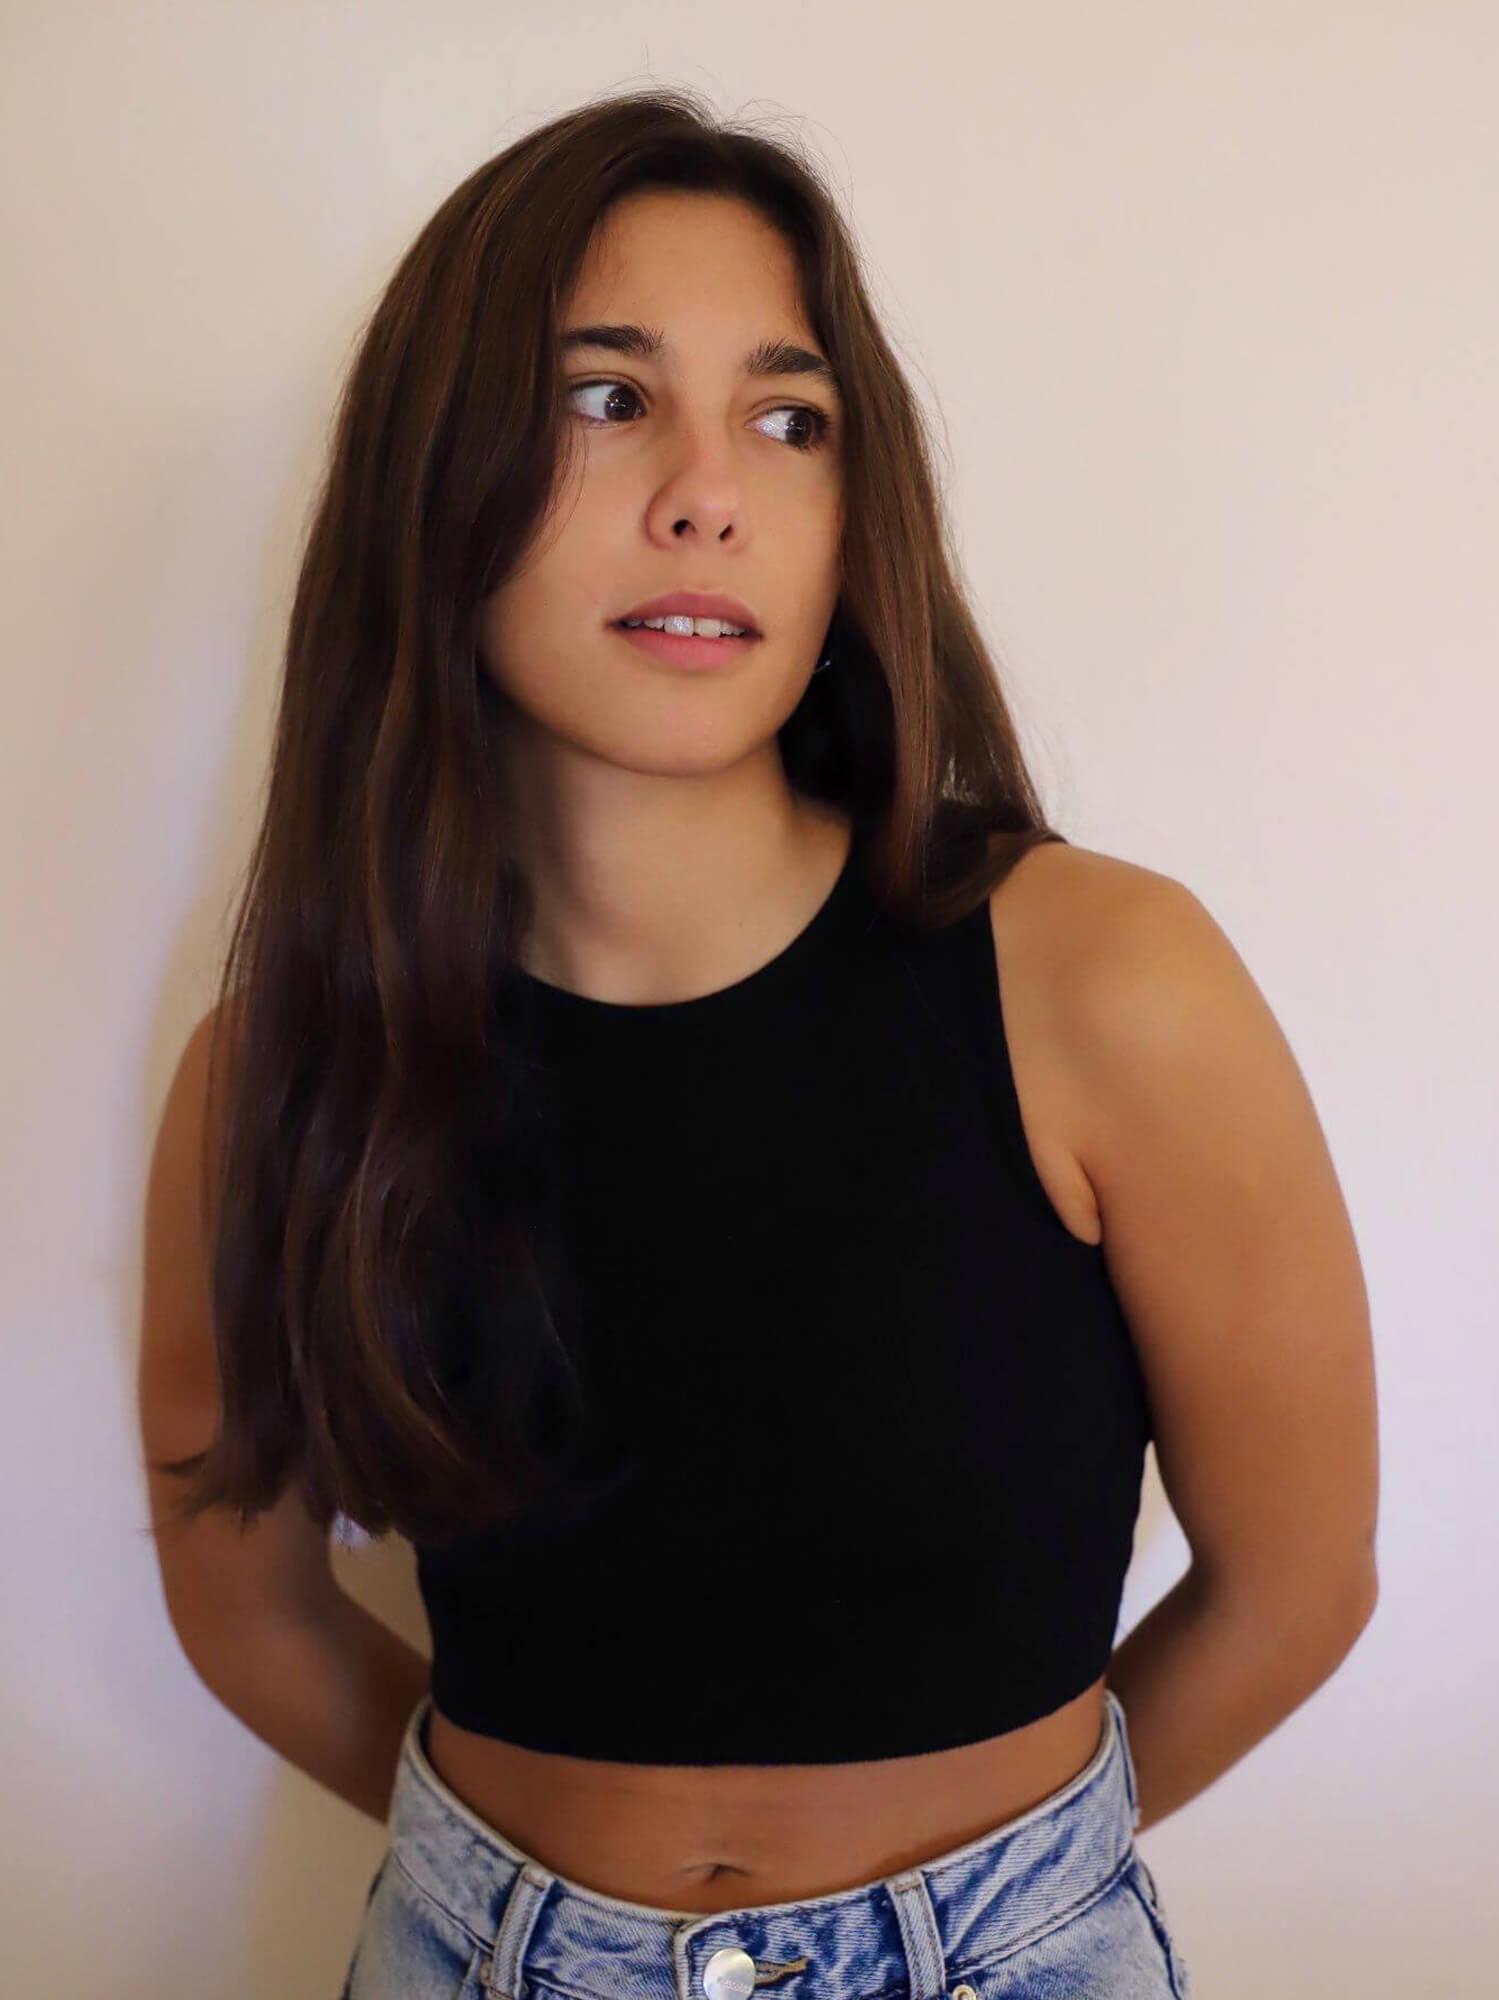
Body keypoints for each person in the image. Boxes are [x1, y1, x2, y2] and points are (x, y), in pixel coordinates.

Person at [138, 86, 1380, 2000]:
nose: (708, 493)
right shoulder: (282, 1074)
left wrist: (996, 1906)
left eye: (788, 419)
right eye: (606, 396)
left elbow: (1297, 1586)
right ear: (434, 475)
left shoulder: (1104, 982)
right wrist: (533, 1905)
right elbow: (250, 1610)